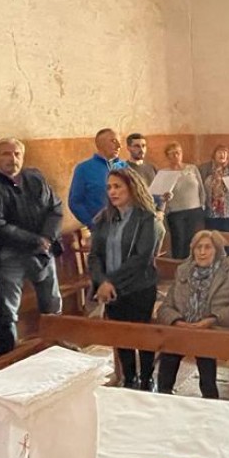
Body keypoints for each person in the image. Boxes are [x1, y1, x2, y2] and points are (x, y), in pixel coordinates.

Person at [0, 138, 63, 356]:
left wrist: (47, 238)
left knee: (52, 303)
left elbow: (55, 208)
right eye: (5, 154)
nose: (12, 159)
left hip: (43, 250)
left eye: (16, 154)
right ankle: (8, 357)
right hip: (9, 256)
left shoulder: (35, 178)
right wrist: (34, 240)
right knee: (8, 312)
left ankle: (56, 348)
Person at [89, 167, 165, 391]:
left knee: (142, 334)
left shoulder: (146, 219)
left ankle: (147, 377)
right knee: (121, 336)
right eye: (109, 187)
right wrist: (101, 281)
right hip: (110, 290)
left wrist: (110, 282)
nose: (112, 191)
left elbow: (141, 257)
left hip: (139, 287)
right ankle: (130, 377)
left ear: (131, 188)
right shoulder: (105, 219)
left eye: (117, 186)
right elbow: (94, 255)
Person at [156, 229, 229, 398]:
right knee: (169, 350)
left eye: (207, 247)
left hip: (215, 328)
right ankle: (163, 397)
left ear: (217, 250)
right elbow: (165, 307)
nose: (202, 252)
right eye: (198, 248)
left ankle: (210, 400)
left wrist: (213, 318)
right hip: (184, 327)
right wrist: (177, 322)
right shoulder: (184, 269)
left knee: (204, 349)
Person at [68, 128, 125, 227]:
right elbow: (75, 202)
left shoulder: (123, 167)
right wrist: (93, 224)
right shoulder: (84, 169)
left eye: (120, 142)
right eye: (114, 141)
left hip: (126, 228)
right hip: (102, 230)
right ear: (100, 144)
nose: (119, 146)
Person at [161, 141, 207, 260]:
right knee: (179, 242)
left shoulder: (192, 168)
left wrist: (202, 204)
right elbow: (160, 194)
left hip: (195, 210)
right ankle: (179, 270)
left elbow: (201, 188)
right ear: (167, 156)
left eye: (178, 152)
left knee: (194, 241)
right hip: (176, 213)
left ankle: (195, 267)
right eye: (172, 154)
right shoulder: (164, 173)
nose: (176, 155)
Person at [199, 144, 229, 243]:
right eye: (219, 152)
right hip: (210, 213)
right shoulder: (204, 169)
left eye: (224, 152)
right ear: (214, 155)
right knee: (212, 241)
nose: (222, 154)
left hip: (228, 213)